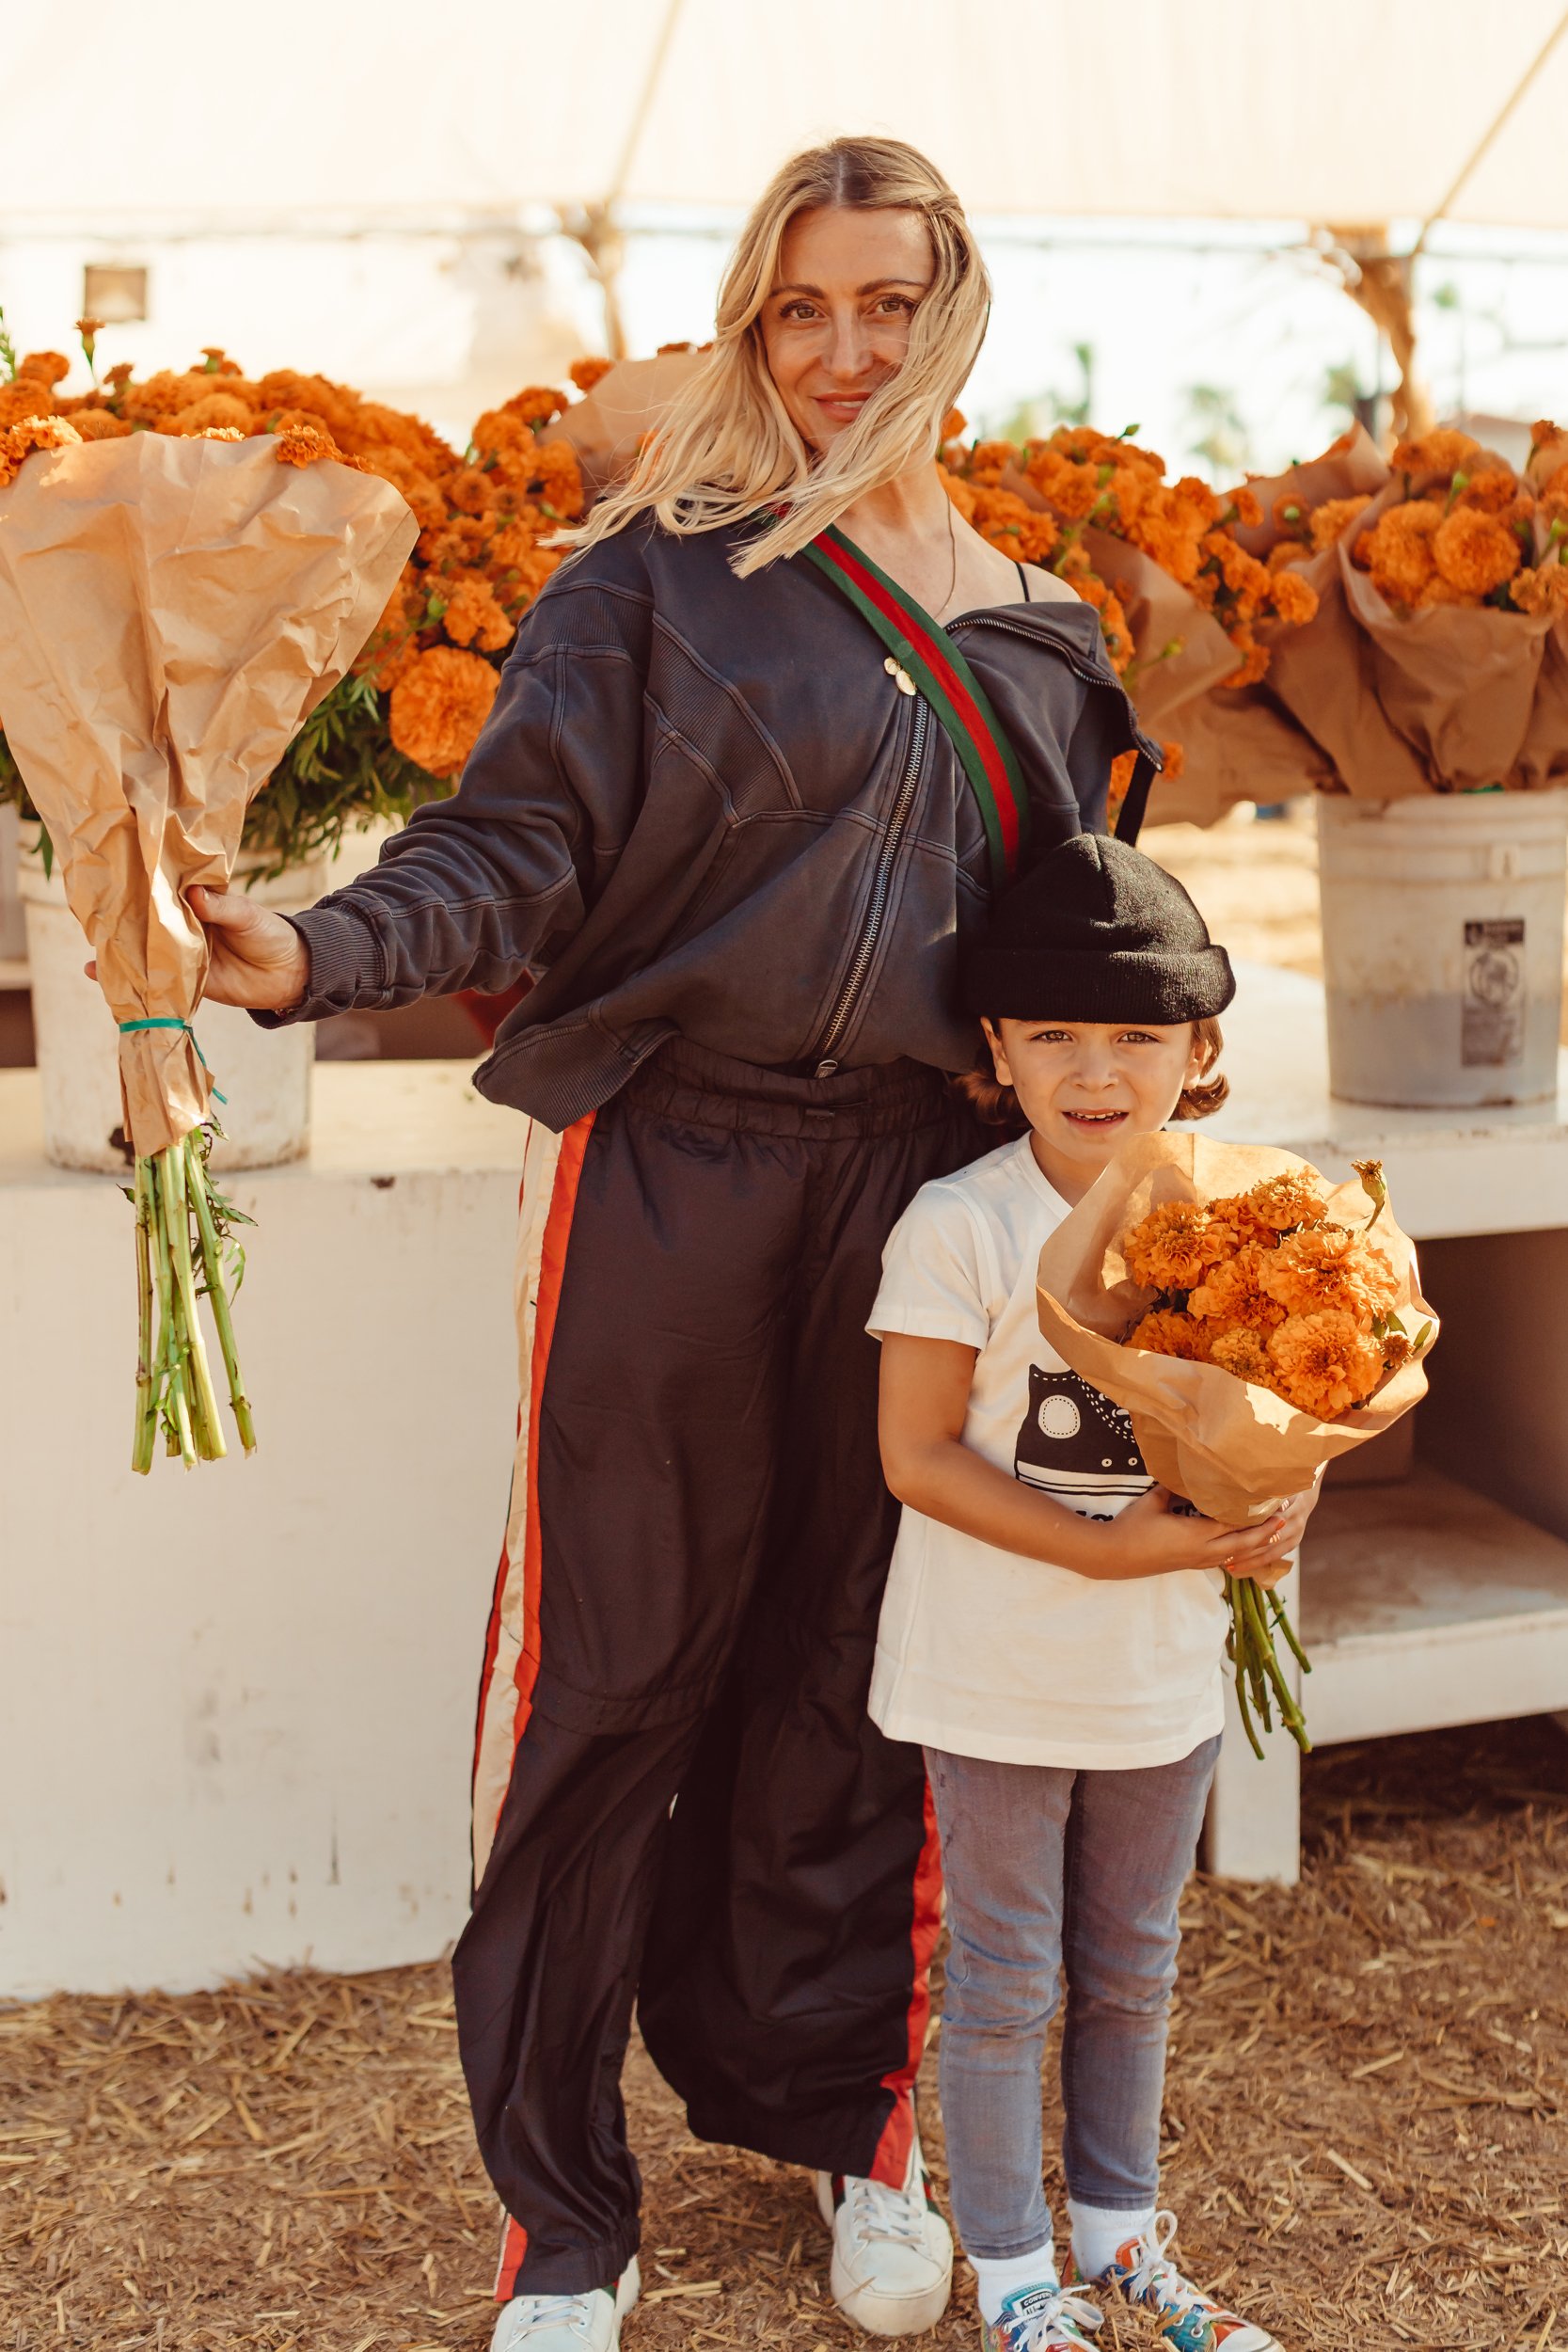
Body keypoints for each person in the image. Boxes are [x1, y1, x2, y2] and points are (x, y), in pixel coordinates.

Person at [190, 136, 1162, 2352]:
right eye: (800, 308)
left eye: (887, 304)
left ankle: (848, 2129)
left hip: (918, 1197)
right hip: (674, 1171)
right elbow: (507, 850)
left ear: (955, 310)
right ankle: (562, 2212)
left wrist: (1155, 1191)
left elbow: (1078, 962)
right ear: (749, 320)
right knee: (612, 1676)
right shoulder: (653, 579)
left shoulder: (1045, 633)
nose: (843, 352)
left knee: (862, 1666)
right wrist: (309, 952)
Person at [870, 834, 1309, 2352]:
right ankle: (1010, 2271)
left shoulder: (1241, 1234)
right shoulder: (964, 1227)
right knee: (1004, 1976)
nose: (1096, 1067)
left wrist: (1284, 1490)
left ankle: (1122, 2238)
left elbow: (1272, 1417)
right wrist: (1116, 1548)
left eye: (1137, 1034)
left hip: (1158, 1673)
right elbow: (919, 1457)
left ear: (1201, 1050)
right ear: (995, 1047)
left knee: (1133, 1964)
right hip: (994, 1675)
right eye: (1053, 1031)